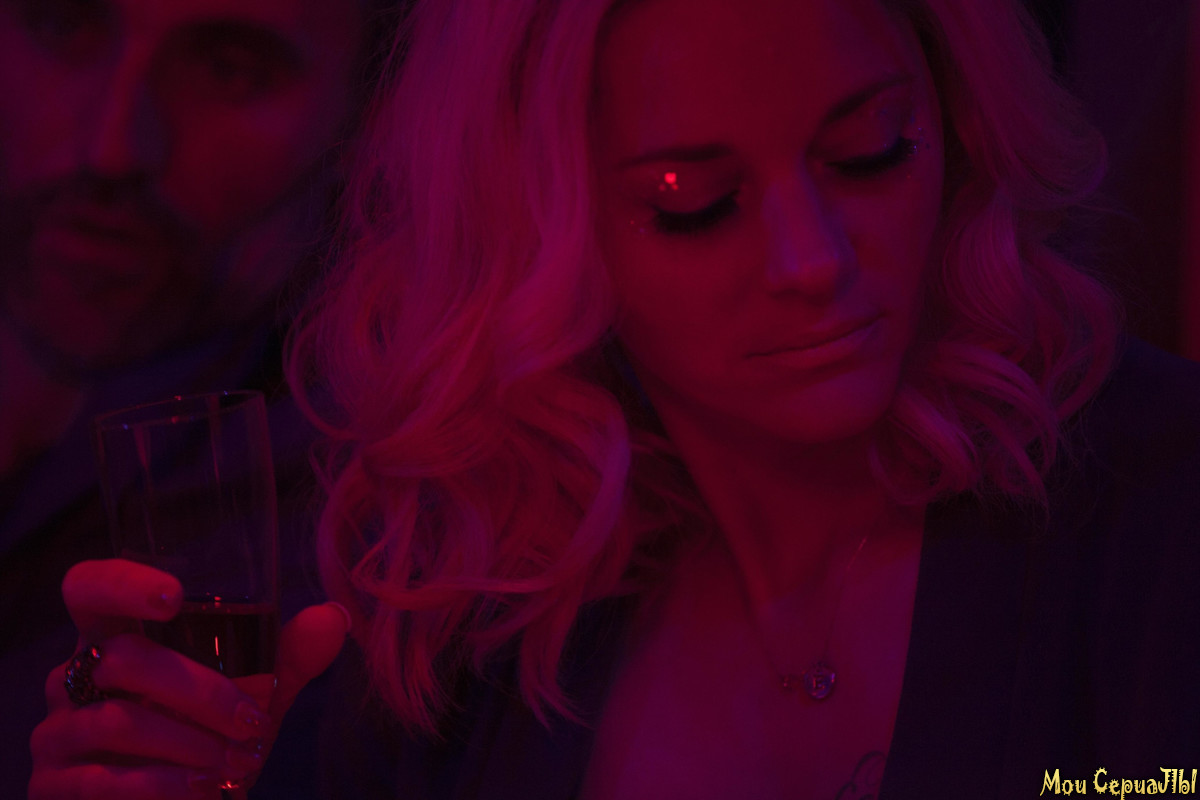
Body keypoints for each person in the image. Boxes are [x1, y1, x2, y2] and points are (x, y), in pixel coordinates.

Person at [32, 0, 1200, 797]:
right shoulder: (469, 622)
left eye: (869, 152)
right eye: (695, 199)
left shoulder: (1155, 504)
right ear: (548, 236)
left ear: (956, 124)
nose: (815, 261)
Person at [0, 0, 403, 791]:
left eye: (229, 69)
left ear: (371, 113)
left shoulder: (375, 530)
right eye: (62, 25)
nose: (113, 146)